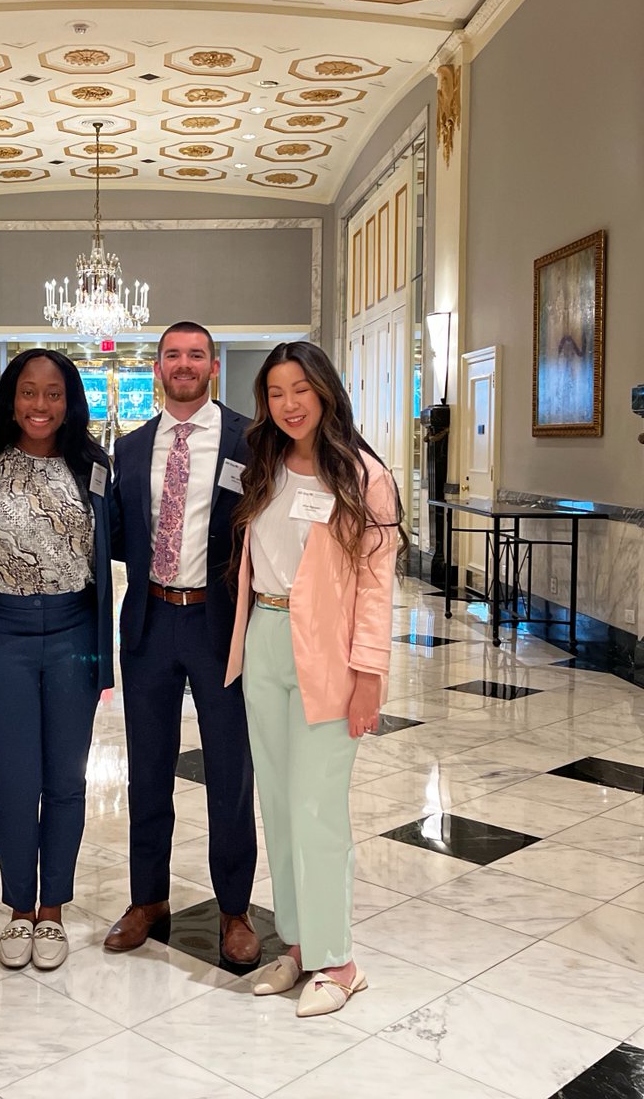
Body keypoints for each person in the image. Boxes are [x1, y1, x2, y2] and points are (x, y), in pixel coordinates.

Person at [225, 340, 401, 1018]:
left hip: (328, 653)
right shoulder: (264, 466)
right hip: (264, 643)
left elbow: (376, 586)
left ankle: (341, 961)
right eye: (275, 392)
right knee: (277, 802)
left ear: (325, 391)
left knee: (318, 808)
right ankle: (298, 947)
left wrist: (369, 674)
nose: (289, 404)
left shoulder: (362, 475)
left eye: (301, 389)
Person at [103, 321, 260, 966]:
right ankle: (148, 899)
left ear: (213, 365)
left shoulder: (254, 440)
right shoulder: (131, 448)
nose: (185, 364)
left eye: (196, 355)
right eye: (173, 355)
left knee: (230, 773)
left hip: (220, 625)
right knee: (147, 772)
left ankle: (234, 910)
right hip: (149, 622)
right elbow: (115, 535)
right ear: (157, 368)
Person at [0, 350, 114, 971]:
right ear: (11, 397)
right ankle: (20, 907)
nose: (41, 406)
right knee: (15, 780)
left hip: (74, 630)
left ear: (69, 401)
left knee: (67, 780)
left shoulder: (92, 464)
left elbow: (118, 539)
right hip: (2, 634)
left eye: (54, 394)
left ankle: (53, 911)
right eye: (29, 392)